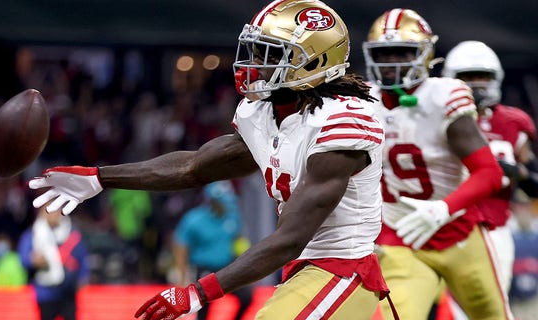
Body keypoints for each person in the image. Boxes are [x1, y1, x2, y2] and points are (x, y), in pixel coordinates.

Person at [29, 1, 390, 319]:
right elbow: (194, 167)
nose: (256, 64)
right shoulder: (262, 113)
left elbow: (290, 237)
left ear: (314, 61)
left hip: (343, 269)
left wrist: (198, 293)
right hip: (305, 270)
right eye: (256, 50)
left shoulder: (343, 120)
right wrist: (99, 177)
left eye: (272, 54)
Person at [362, 8, 513, 320]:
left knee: (493, 315)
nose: (392, 63)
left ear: (425, 54)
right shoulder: (363, 102)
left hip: (458, 230)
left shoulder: (443, 95)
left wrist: (443, 208)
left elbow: (490, 172)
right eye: (384, 54)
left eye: (402, 52)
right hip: (402, 234)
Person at [442, 40, 538, 294]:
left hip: (493, 226)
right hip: (441, 225)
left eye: (482, 76)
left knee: (490, 301)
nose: (475, 83)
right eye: (467, 76)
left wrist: (512, 171)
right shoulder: (433, 115)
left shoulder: (512, 122)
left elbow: (534, 185)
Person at [173, 181, 252, 320]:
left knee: (246, 297)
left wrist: (245, 263)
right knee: (204, 306)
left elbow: (238, 240)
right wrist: (181, 276)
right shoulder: (194, 219)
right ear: (212, 201)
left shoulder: (233, 216)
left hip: (226, 267)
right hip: (204, 269)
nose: (227, 204)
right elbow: (181, 247)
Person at [18, 205, 90, 320]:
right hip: (45, 292)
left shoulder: (71, 232)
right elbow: (23, 260)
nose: (53, 214)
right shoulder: (33, 234)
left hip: (68, 291)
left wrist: (83, 276)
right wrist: (33, 261)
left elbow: (82, 256)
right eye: (48, 211)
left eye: (56, 210)